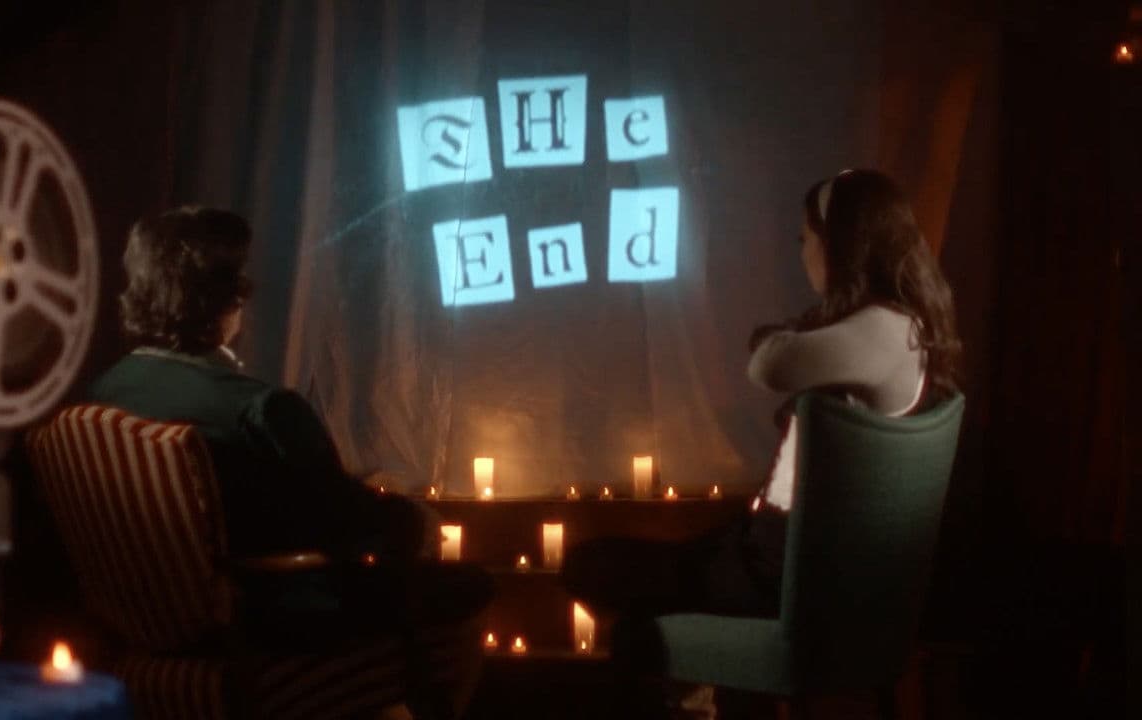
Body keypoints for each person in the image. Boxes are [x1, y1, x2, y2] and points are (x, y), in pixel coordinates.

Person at [560, 169, 962, 718]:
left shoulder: (883, 330)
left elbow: (771, 364)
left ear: (839, 244)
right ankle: (702, 691)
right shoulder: (908, 328)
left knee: (594, 572)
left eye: (805, 237)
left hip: (777, 583)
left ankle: (697, 689)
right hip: (793, 571)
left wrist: (780, 334)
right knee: (636, 580)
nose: (802, 251)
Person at [85, 206, 491, 719]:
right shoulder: (261, 410)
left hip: (136, 645)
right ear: (228, 298)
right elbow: (346, 522)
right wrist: (416, 521)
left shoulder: (103, 394)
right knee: (466, 590)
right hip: (262, 637)